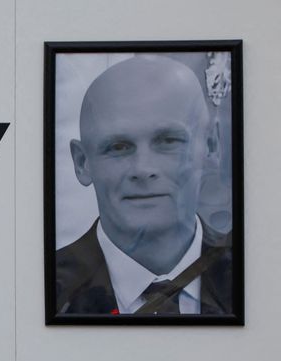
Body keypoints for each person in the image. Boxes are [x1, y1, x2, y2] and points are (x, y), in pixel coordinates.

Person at [56, 55, 232, 315]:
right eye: (118, 147)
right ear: (82, 163)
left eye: (168, 141)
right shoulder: (40, 289)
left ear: (211, 146)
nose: (143, 169)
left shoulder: (264, 280)